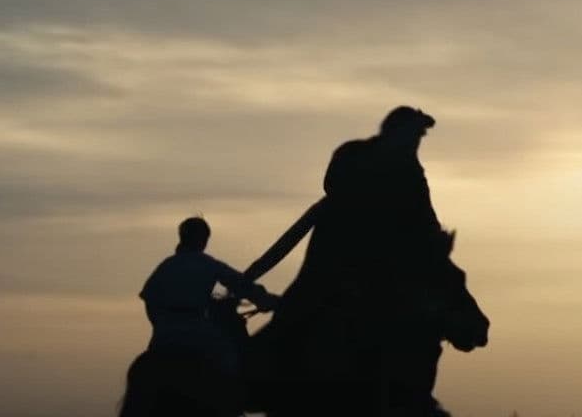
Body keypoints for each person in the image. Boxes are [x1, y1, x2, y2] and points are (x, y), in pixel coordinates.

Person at [269, 105, 451, 415]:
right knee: (305, 297)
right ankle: (272, 370)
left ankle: (414, 387)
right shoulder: (353, 153)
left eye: (420, 136)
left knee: (426, 311)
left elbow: (425, 211)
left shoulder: (410, 168)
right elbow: (333, 187)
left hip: (386, 254)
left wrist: (434, 240)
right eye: (415, 134)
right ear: (397, 131)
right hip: (341, 246)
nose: (417, 141)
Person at [139, 216, 279, 379]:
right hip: (197, 333)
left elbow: (149, 300)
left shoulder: (165, 266)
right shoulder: (209, 265)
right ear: (204, 240)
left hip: (162, 338)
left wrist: (161, 325)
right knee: (235, 364)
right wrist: (266, 300)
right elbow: (242, 285)